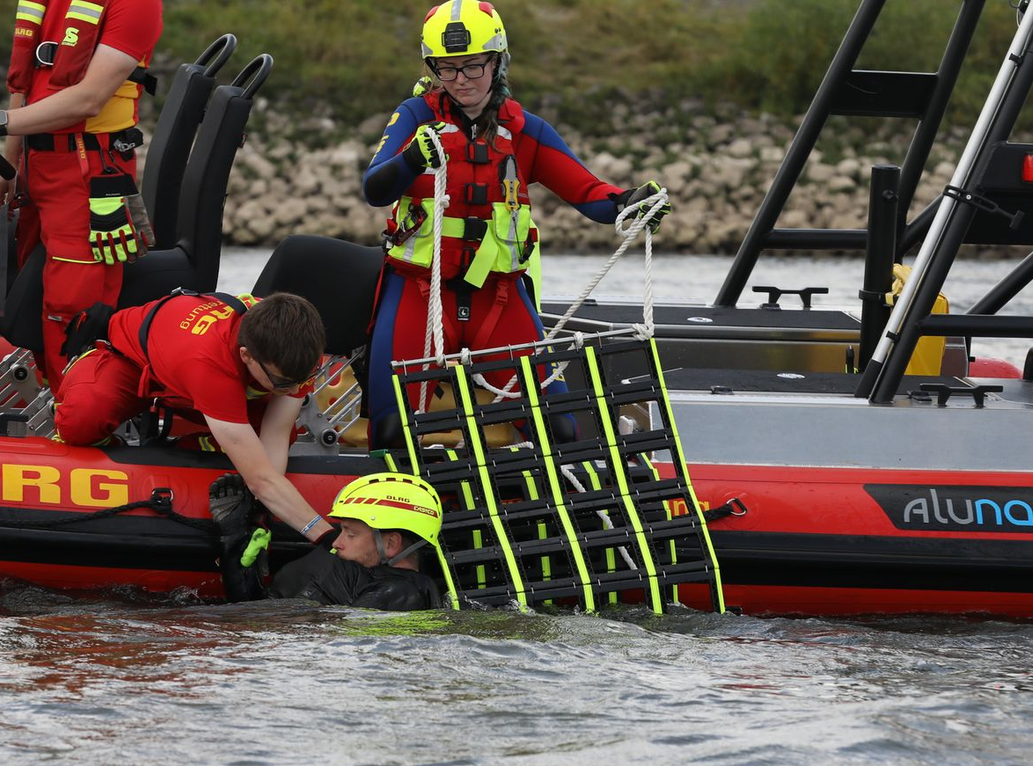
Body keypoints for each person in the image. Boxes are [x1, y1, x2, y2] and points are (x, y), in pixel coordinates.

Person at [361, 0, 669, 446]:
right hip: (417, 292)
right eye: (447, 70)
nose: (461, 81)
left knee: (558, 428)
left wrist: (633, 202)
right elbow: (375, 189)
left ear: (498, 61)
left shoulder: (526, 131)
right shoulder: (414, 117)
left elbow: (590, 195)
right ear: (432, 69)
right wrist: (412, 158)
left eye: (473, 67)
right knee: (390, 430)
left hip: (499, 297)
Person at [55, 290, 337, 544]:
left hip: (196, 377)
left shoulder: (296, 349)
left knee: (272, 439)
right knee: (82, 420)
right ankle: (119, 451)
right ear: (247, 356)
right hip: (131, 360)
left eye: (304, 379)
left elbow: (274, 437)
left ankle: (181, 451)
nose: (293, 390)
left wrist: (260, 510)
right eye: (283, 382)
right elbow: (262, 480)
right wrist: (326, 537)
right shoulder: (210, 362)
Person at [1, 0, 163, 393]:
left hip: (88, 171)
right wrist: (7, 163)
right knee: (31, 290)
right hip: (35, 164)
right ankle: (46, 397)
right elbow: (23, 83)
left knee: (71, 309)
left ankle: (77, 416)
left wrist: (2, 123)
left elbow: (89, 98)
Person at [213, 472, 444, 611]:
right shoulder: (355, 571)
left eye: (350, 534)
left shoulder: (401, 593)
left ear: (392, 544)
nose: (336, 542)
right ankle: (232, 539)